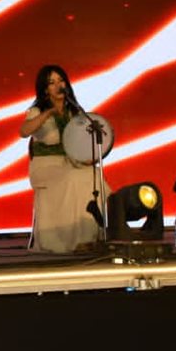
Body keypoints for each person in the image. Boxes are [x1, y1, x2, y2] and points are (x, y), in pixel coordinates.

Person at [19, 64, 105, 253]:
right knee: (74, 177)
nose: (58, 85)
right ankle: (68, 241)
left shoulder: (74, 112)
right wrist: (48, 113)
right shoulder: (37, 111)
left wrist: (88, 158)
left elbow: (80, 142)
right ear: (45, 89)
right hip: (46, 166)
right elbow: (24, 131)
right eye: (52, 82)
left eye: (61, 81)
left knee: (92, 175)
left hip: (71, 163)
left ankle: (91, 238)